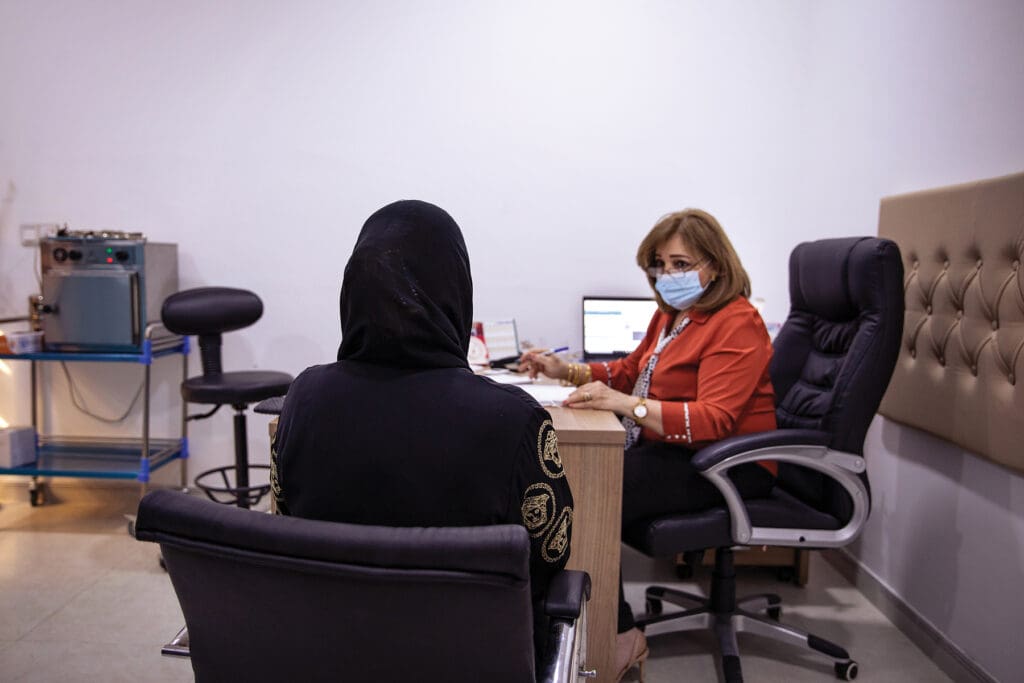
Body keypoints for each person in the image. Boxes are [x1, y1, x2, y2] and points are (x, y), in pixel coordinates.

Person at [271, 199, 573, 660]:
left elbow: (286, 521)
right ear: (456, 289)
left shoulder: (304, 398)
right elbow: (552, 555)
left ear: (353, 288)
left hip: (330, 654)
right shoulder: (514, 419)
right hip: (473, 660)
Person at [520, 208, 777, 682]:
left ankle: (618, 636)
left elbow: (716, 419)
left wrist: (626, 404)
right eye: (661, 264)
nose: (668, 275)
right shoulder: (674, 315)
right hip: (679, 452)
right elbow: (630, 371)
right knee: (577, 483)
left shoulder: (738, 321)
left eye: (681, 264)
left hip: (729, 463)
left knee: (587, 496)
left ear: (715, 265)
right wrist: (568, 370)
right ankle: (568, 626)